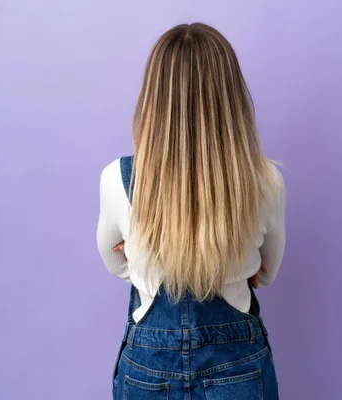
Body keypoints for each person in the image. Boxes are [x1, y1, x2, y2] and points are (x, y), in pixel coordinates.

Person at [97, 22, 286, 400]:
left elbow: (116, 264)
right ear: (231, 96)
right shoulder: (266, 181)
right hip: (239, 364)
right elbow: (266, 273)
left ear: (154, 96)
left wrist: (147, 260)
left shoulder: (117, 179)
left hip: (149, 365)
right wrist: (226, 261)